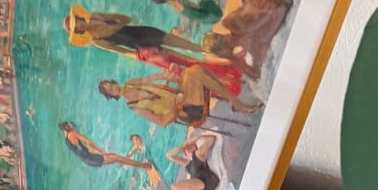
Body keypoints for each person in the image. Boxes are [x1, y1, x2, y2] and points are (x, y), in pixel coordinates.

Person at [98, 63, 260, 128]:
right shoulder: (135, 107)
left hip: (182, 97)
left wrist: (169, 75)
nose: (114, 88)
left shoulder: (130, 84)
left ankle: (234, 102)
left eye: (111, 85)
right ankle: (236, 103)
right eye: (110, 90)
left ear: (113, 82)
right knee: (195, 73)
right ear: (112, 96)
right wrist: (178, 105)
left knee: (193, 70)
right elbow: (162, 122)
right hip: (187, 111)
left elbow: (155, 77)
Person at [64, 4, 202, 55]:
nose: (80, 25)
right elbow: (121, 50)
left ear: (79, 18)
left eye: (77, 22)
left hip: (141, 31)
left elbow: (126, 19)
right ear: (78, 32)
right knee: (176, 56)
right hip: (140, 45)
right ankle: (206, 63)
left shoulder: (96, 16)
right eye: (77, 28)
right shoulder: (96, 39)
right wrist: (142, 55)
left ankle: (203, 50)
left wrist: (113, 28)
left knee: (178, 42)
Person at [58, 122, 152, 170]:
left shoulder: (67, 140)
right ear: (68, 127)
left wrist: (96, 152)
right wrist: (101, 151)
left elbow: (83, 150)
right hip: (92, 158)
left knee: (116, 158)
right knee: (115, 157)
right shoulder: (73, 134)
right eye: (70, 125)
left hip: (89, 160)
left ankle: (129, 161)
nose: (72, 126)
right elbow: (89, 143)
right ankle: (145, 166)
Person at [151, 0, 223, 25]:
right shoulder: (178, 3)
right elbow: (197, 15)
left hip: (209, 18)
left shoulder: (174, 5)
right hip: (215, 15)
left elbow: (193, 13)